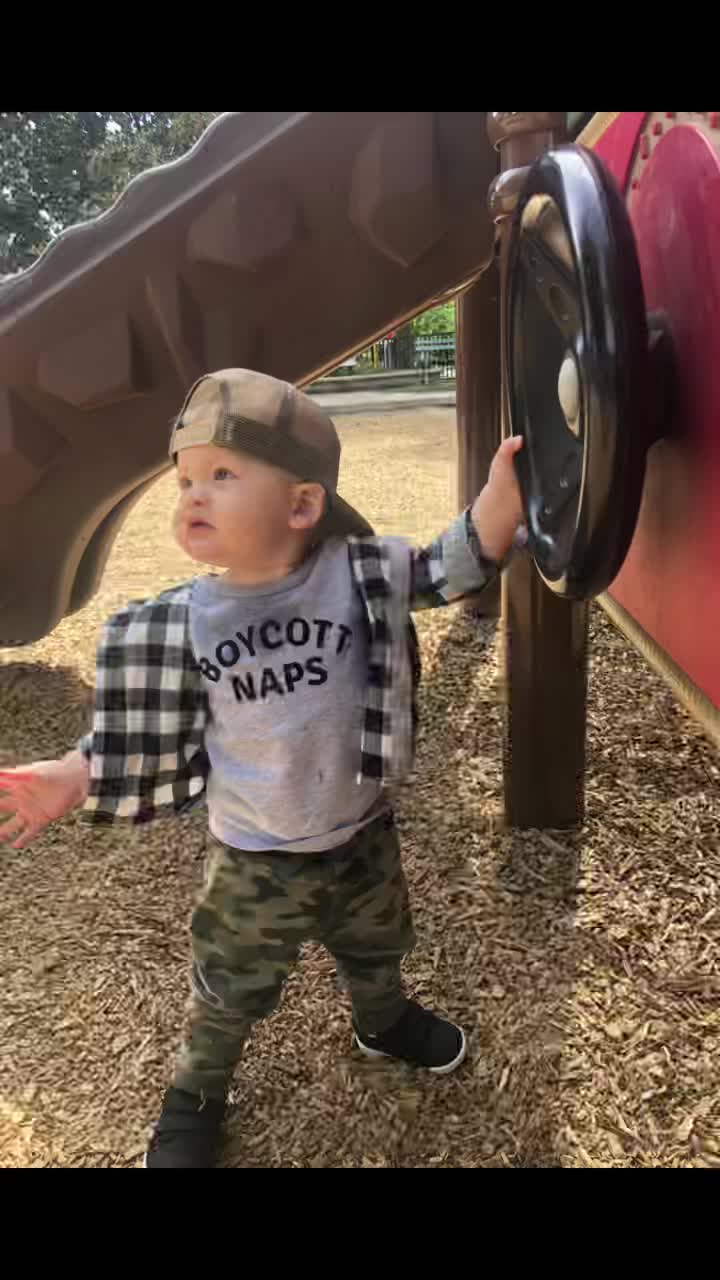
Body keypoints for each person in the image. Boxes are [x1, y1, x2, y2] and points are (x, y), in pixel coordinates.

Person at [0, 368, 525, 1168]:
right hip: (254, 859)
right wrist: (72, 777)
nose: (193, 496)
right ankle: (196, 1090)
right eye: (184, 480)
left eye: (221, 475)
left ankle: (381, 1020)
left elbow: (448, 567)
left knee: (378, 944)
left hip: (360, 836)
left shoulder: (356, 577)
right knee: (227, 987)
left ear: (301, 505)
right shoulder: (185, 622)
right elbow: (138, 731)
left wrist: (500, 502)